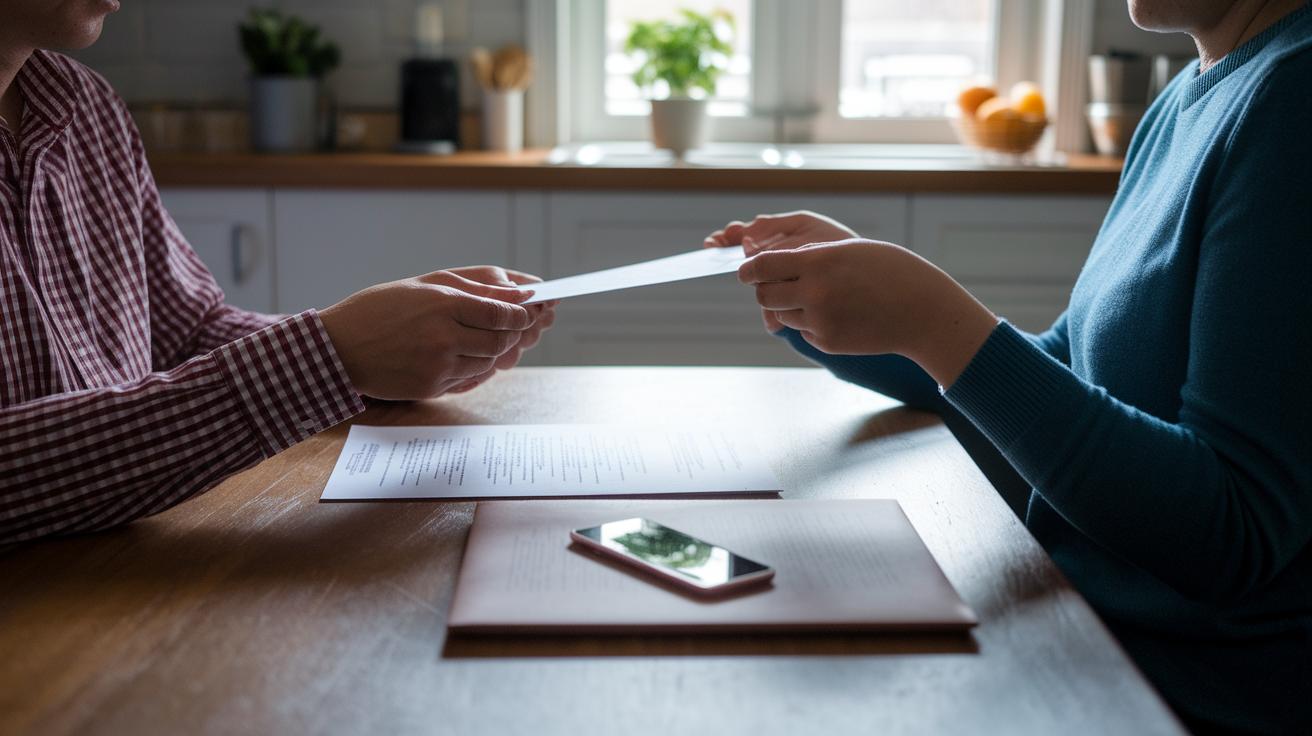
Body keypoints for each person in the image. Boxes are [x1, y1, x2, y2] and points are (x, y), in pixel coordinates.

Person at [706, 0, 1310, 731]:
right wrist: (856, 309)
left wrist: (930, 319)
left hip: (1181, 695)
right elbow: (1072, 372)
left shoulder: (1293, 99)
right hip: (1082, 637)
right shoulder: (1188, 95)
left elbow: (1232, 534)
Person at [0, 1, 555, 544]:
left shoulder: (86, 108)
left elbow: (188, 330)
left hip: (115, 582)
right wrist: (328, 356)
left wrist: (383, 357)